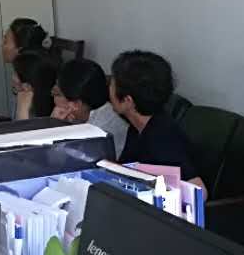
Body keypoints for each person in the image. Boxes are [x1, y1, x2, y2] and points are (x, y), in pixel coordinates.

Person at [109, 50, 199, 184]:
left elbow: (198, 188)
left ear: (128, 101)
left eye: (112, 85)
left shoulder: (163, 137)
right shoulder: (137, 126)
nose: (109, 90)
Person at [51, 57, 129, 155]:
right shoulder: (98, 111)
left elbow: (56, 158)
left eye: (57, 94)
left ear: (75, 104)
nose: (51, 93)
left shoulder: (98, 132)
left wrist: (55, 128)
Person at [11, 50, 58, 119]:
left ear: (28, 86)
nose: (12, 77)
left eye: (15, 74)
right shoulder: (19, 97)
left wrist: (22, 110)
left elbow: (22, 125)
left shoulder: (55, 112)